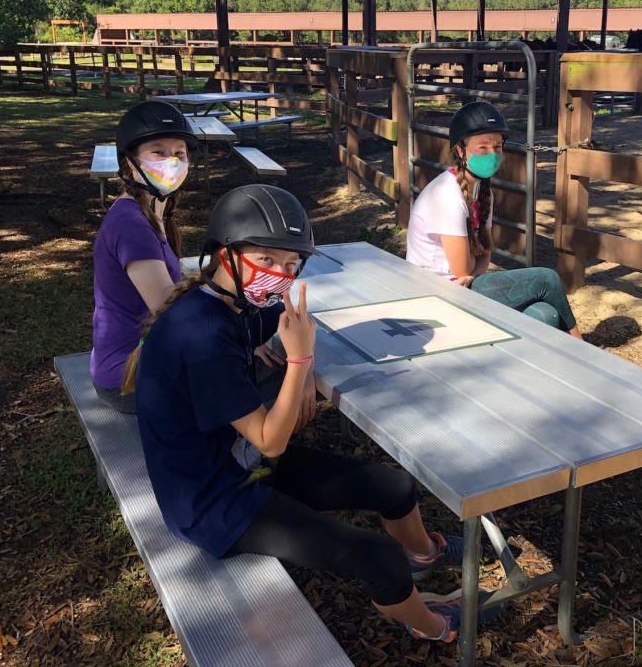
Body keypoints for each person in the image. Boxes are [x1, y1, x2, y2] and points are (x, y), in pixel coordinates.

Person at [122, 184, 500, 642]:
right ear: (224, 255)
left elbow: (297, 321)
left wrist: (303, 362)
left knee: (392, 485)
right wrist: (298, 365)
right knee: (378, 558)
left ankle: (422, 556)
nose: (279, 275)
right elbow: (270, 439)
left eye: (290, 264)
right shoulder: (200, 336)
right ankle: (437, 628)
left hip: (242, 465)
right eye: (266, 260)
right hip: (214, 503)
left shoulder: (232, 300)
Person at [406, 101, 582, 339]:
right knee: (547, 279)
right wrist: (472, 271)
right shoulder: (447, 196)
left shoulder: (484, 191)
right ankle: (581, 346)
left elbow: (484, 255)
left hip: (465, 288)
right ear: (460, 151)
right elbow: (462, 270)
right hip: (439, 294)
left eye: (497, 146)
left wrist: (474, 274)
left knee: (545, 315)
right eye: (482, 147)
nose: (492, 154)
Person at [90, 100, 198, 414]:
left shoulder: (153, 214)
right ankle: (247, 454)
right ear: (130, 163)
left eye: (179, 153)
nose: (172, 162)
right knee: (259, 373)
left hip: (143, 361)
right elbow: (172, 313)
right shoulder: (132, 224)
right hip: (128, 379)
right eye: (158, 152)